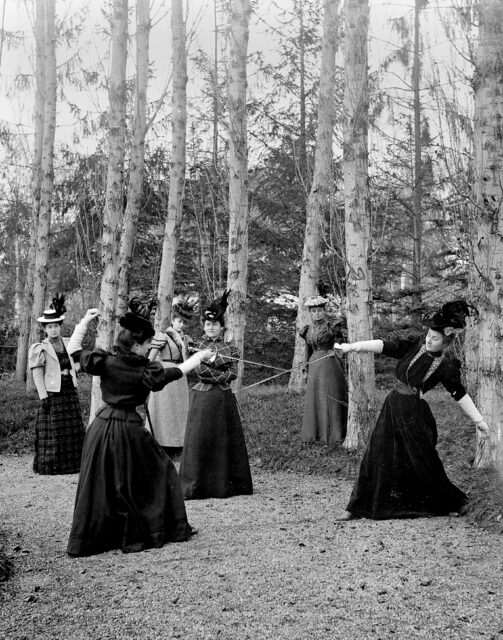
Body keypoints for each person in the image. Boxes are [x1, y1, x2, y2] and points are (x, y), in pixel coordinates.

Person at [66, 299, 213, 557]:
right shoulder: (143, 369)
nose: (149, 349)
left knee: (105, 480)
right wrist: (200, 358)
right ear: (135, 344)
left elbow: (74, 349)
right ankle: (158, 528)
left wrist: (84, 322)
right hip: (128, 430)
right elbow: (176, 372)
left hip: (100, 428)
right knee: (163, 470)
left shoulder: (105, 360)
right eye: (146, 344)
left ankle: (105, 534)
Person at [334, 300, 491, 521]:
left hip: (413, 414)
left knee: (424, 460)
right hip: (392, 406)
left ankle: (450, 503)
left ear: (445, 342)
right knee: (376, 453)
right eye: (429, 335)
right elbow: (384, 345)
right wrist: (352, 347)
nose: (429, 339)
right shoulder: (414, 345)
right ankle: (356, 507)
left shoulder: (445, 366)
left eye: (435, 338)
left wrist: (479, 420)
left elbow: (459, 393)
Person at [179, 291, 253, 500]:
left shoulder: (229, 347)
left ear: (222, 326)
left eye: (215, 324)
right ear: (203, 326)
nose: (210, 327)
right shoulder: (196, 346)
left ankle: (225, 485)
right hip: (203, 399)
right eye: (207, 324)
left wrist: (220, 369)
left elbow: (234, 373)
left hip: (224, 400)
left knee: (224, 439)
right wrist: (222, 370)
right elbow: (202, 372)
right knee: (202, 439)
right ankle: (198, 486)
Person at [28, 294, 85, 475]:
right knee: (54, 430)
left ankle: (74, 464)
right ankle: (53, 465)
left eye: (56, 326)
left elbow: (75, 364)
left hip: (69, 390)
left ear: (60, 326)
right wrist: (43, 396)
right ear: (45, 329)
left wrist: (76, 370)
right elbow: (37, 374)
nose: (53, 330)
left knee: (72, 429)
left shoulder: (67, 343)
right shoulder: (40, 347)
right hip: (53, 393)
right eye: (50, 327)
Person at [146, 296, 197, 456]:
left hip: (180, 373)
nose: (182, 324)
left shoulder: (184, 338)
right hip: (165, 373)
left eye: (184, 322)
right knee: (164, 409)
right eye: (179, 321)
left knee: (179, 409)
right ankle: (161, 443)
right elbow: (150, 358)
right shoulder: (163, 336)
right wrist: (151, 374)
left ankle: (177, 443)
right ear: (172, 321)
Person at [300, 296, 347, 444]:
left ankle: (333, 435)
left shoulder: (333, 326)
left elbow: (341, 343)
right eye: (314, 311)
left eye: (319, 311)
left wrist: (336, 350)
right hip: (314, 363)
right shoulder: (307, 329)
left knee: (329, 395)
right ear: (310, 313)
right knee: (316, 397)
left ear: (324, 311)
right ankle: (315, 434)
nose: (317, 314)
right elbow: (307, 350)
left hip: (329, 363)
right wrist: (306, 367)